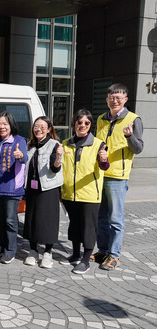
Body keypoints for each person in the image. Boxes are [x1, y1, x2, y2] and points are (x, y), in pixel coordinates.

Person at [94, 83, 144, 271]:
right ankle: (103, 250)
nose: (114, 100)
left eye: (118, 98)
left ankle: (114, 256)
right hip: (100, 174)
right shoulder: (100, 119)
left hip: (118, 177)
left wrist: (130, 136)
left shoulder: (133, 119)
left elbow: (138, 148)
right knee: (101, 217)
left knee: (115, 219)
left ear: (125, 100)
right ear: (106, 99)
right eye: (111, 97)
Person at [59, 109, 109, 274]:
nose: (82, 125)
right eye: (79, 122)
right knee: (74, 226)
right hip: (69, 194)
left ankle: (86, 260)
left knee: (88, 227)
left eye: (86, 123)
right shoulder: (65, 143)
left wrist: (104, 159)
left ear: (91, 125)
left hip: (89, 194)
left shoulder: (99, 144)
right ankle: (75, 254)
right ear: (74, 124)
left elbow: (104, 166)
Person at [0, 111, 28, 264]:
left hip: (12, 188)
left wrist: (20, 156)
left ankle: (10, 251)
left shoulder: (19, 141)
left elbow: (24, 158)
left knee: (10, 220)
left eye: (5, 124)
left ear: (11, 125)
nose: (2, 127)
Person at [23, 116, 63, 269]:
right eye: (36, 126)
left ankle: (48, 252)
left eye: (42, 126)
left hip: (48, 188)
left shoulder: (54, 145)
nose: (38, 129)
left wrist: (58, 158)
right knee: (32, 219)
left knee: (48, 221)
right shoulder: (31, 145)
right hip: (32, 188)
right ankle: (33, 251)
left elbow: (54, 169)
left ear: (49, 129)